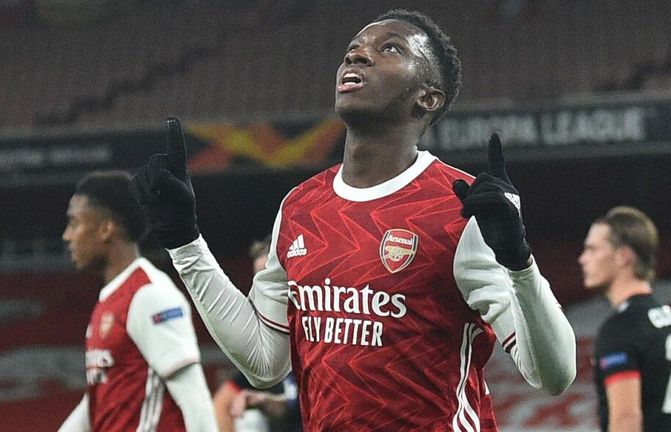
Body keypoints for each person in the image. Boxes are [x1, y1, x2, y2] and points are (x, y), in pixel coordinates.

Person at [130, 9, 576, 431]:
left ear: (428, 97)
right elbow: (265, 362)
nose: (358, 53)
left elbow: (554, 376)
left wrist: (519, 261)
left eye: (391, 49)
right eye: (355, 47)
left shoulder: (463, 206)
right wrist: (185, 242)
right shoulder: (301, 206)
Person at [58, 170, 218, 432]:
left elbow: (194, 395)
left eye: (74, 224)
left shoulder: (150, 295)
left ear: (106, 229)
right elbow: (97, 398)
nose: (67, 236)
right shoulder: (111, 300)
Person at [579, 206, 671, 432]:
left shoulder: (621, 328)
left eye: (592, 249)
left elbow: (626, 419)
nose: (583, 259)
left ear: (623, 256)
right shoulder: (665, 318)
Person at [213, 236, 302, 432]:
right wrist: (263, 401)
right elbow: (221, 405)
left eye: (268, 279)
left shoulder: (315, 337)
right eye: (257, 282)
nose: (262, 292)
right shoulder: (264, 347)